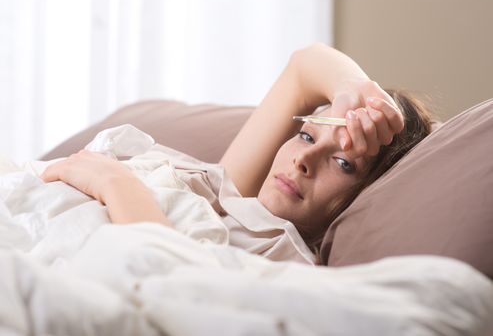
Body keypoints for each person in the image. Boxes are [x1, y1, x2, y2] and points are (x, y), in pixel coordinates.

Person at [40, 43, 433, 261]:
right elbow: (304, 67)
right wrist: (351, 89)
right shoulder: (229, 190)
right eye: (308, 137)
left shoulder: (281, 254)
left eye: (344, 163)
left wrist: (116, 185)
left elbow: (174, 287)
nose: (302, 159)